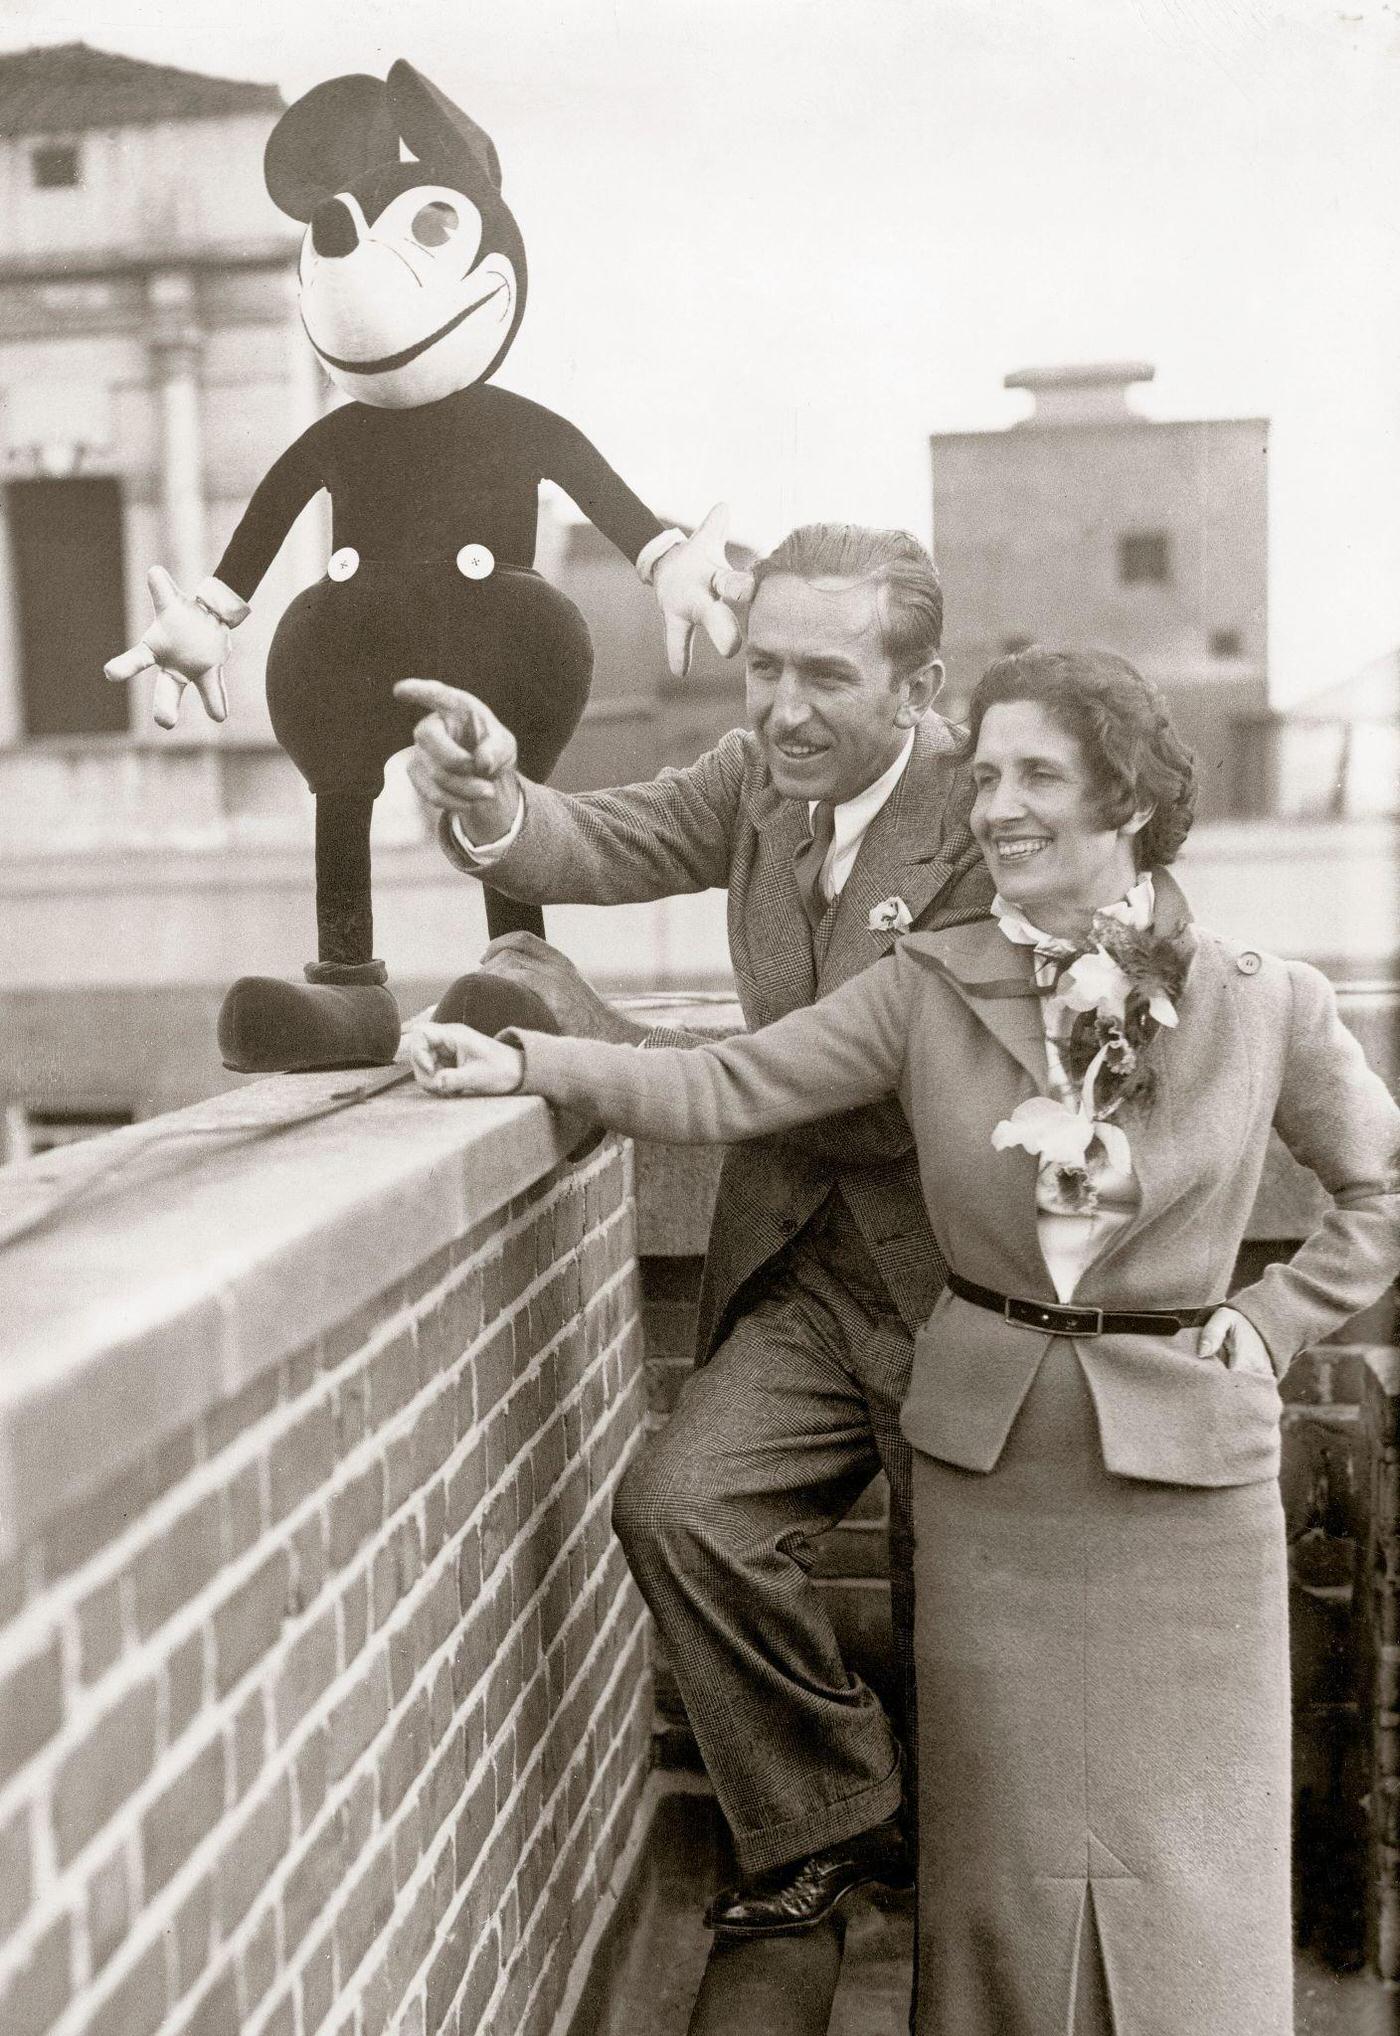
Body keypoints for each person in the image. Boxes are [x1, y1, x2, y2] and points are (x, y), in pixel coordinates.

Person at [406, 645, 1400, 2035]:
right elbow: (732, 1081)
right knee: (1001, 1860)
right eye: (984, 773)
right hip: (996, 1470)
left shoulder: (1265, 997)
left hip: (1193, 1500)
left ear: (1128, 802)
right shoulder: (927, 983)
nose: (996, 805)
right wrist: (533, 1064)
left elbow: (1382, 1188)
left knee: (1190, 1869)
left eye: (1038, 775)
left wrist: (1278, 1314)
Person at [396, 524, 993, 1935]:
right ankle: (834, 1824)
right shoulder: (754, 784)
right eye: (763, 665)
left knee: (961, 1623)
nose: (783, 707)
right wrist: (494, 801)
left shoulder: (986, 820)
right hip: (800, 1268)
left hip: (959, 1297)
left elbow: (872, 1098)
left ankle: (975, 1913)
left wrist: (593, 1039)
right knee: (683, 1507)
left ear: (918, 688)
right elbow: (595, 836)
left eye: (827, 675)